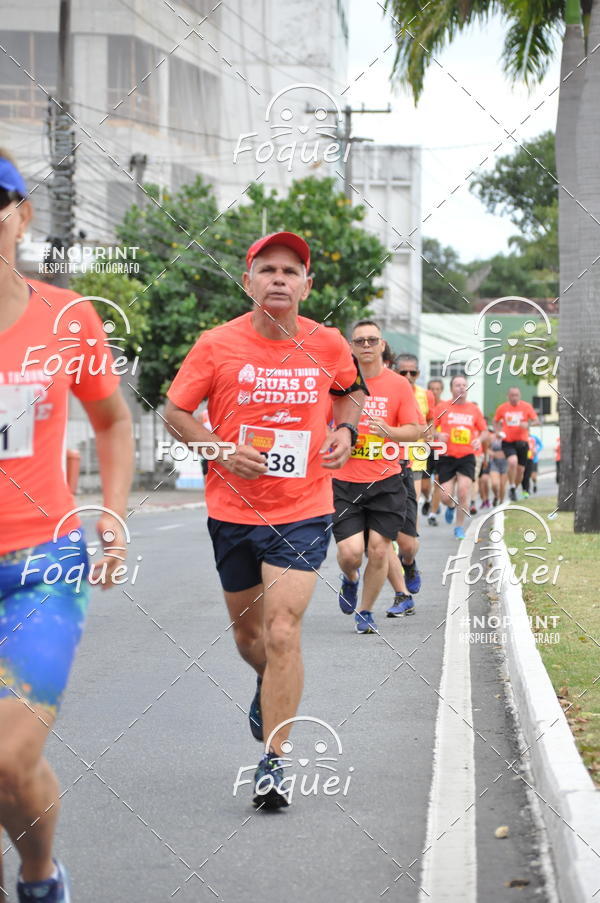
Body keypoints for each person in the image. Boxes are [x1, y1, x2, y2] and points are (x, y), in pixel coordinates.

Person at [165, 232, 366, 809]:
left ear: (307, 284)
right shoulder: (216, 345)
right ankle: (265, 682)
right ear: (248, 280)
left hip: (303, 507)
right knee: (250, 637)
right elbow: (177, 410)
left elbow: (350, 393)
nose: (280, 278)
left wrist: (345, 430)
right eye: (268, 269)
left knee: (283, 631)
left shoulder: (327, 343)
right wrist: (220, 449)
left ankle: (274, 763)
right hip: (231, 509)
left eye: (291, 270)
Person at [0, 150, 133, 901]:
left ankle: (40, 877)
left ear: (22, 215)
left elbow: (112, 422)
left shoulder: (67, 316)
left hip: (40, 566)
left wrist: (112, 515)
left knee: (9, 756)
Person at [332, 322, 420, 632]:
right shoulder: (337, 382)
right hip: (344, 481)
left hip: (386, 482)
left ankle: (365, 612)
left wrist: (391, 432)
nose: (366, 345)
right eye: (360, 341)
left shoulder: (398, 385)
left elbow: (416, 430)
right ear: (352, 347)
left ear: (382, 345)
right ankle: (350, 577)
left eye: (372, 340)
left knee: (380, 550)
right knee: (350, 553)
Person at [387, 353, 435, 609]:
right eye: (402, 372)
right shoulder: (379, 388)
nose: (407, 377)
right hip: (378, 468)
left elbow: (427, 423)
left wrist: (430, 438)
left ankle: (409, 562)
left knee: (408, 536)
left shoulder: (422, 395)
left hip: (411, 463)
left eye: (412, 373)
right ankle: (401, 593)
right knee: (381, 540)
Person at [430, 375, 488, 540]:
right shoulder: (442, 406)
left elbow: (484, 431)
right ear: (451, 389)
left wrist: (479, 440)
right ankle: (450, 507)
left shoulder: (474, 410)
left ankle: (459, 527)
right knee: (444, 497)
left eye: (464, 385)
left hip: (466, 457)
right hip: (447, 457)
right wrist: (438, 434)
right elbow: (430, 428)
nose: (461, 388)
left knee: (463, 491)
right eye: (457, 385)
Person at [494, 388, 539, 501]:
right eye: (512, 395)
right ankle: (512, 486)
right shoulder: (502, 408)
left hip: (523, 443)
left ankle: (514, 488)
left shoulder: (526, 407)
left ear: (520, 395)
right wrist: (498, 432)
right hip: (508, 442)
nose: (514, 397)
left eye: (516, 395)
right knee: (512, 461)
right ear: (508, 396)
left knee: (521, 471)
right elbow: (495, 421)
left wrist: (528, 424)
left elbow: (536, 421)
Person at [422, 378, 444, 516]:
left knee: (438, 482)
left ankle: (433, 513)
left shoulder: (446, 406)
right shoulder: (423, 405)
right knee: (424, 485)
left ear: (442, 390)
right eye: (432, 389)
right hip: (425, 448)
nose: (435, 392)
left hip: (441, 449)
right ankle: (428, 499)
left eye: (437, 389)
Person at [488, 426, 508, 506]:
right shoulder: (492, 437)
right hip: (494, 463)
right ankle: (496, 496)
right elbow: (486, 448)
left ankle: (501, 502)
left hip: (505, 463)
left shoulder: (508, 437)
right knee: (494, 484)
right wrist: (493, 454)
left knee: (502, 485)